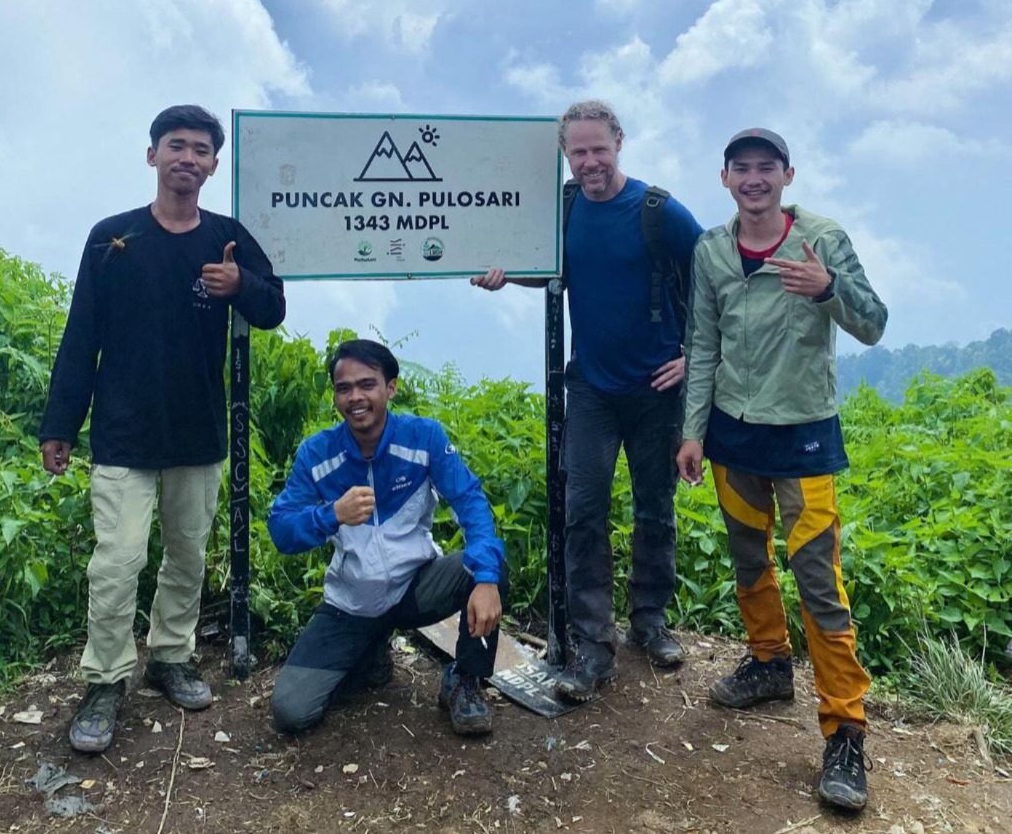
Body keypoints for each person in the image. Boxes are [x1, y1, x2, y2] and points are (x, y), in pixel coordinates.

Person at [39, 105, 286, 754]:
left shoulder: (226, 238)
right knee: (118, 561)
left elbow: (274, 304)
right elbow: (81, 334)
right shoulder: (112, 238)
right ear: (153, 156)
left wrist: (241, 285)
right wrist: (60, 422)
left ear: (212, 164)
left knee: (185, 558)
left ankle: (170, 655)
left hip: (198, 432)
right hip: (123, 432)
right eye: (176, 145)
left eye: (201, 149)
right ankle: (105, 678)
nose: (188, 157)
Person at [676, 128, 887, 811]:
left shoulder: (821, 239)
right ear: (726, 177)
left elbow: (874, 323)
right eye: (743, 168)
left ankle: (845, 731)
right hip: (734, 437)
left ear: (787, 175)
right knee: (747, 559)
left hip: (803, 436)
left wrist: (828, 288)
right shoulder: (712, 248)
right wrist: (692, 431)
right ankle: (768, 661)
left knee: (819, 580)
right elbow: (701, 342)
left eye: (767, 167)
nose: (755, 178)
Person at [472, 101, 703, 700]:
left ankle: (650, 623)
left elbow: (714, 278)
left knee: (655, 508)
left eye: (599, 148)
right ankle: (592, 645)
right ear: (564, 153)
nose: (590, 161)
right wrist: (506, 276)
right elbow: (546, 267)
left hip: (657, 389)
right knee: (583, 513)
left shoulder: (659, 212)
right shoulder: (565, 210)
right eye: (578, 152)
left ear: (619, 142)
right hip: (592, 388)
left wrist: (698, 354)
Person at [267, 339, 506, 736]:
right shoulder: (317, 454)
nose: (356, 397)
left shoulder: (424, 439)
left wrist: (485, 580)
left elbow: (471, 503)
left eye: (367, 385)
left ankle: (466, 680)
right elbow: (281, 530)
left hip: (416, 588)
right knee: (291, 712)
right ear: (335, 396)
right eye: (344, 388)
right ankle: (369, 653)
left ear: (390, 388)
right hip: (352, 603)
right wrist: (332, 515)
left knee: (487, 566)